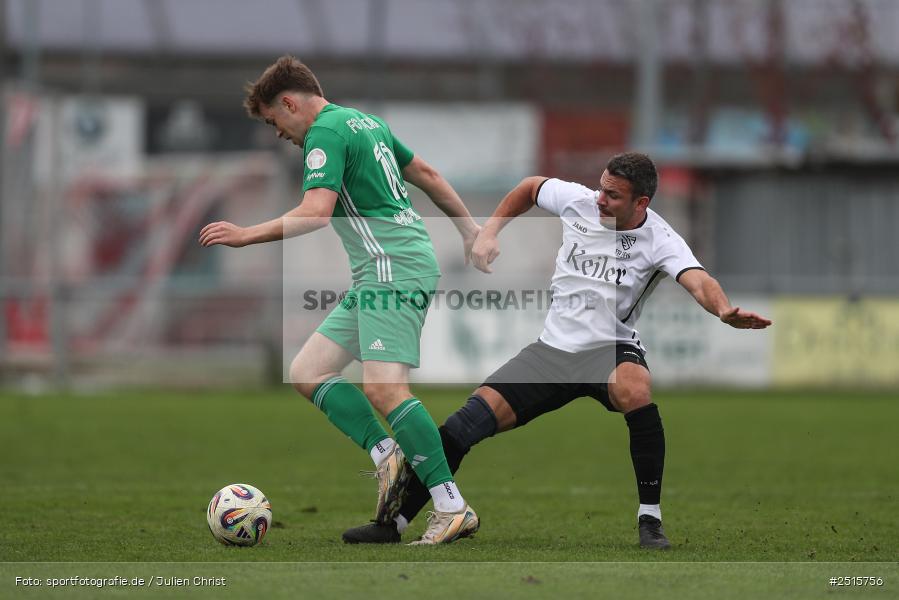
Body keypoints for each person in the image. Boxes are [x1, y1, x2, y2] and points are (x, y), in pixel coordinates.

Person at [342, 152, 772, 548]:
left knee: (636, 389)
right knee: (460, 428)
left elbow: (697, 278)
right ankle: (394, 525)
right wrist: (488, 232)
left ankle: (650, 519)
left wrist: (722, 310)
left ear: (641, 203)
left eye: (613, 195)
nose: (600, 199)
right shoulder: (579, 201)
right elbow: (530, 187)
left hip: (611, 349)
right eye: (601, 187)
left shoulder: (660, 238)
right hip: (551, 353)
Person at [199, 55, 481, 545]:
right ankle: (386, 456)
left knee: (386, 390)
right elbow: (428, 174)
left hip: (393, 269)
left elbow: (314, 213)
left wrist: (246, 236)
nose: (280, 134)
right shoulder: (366, 121)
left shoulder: (324, 134)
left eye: (274, 121)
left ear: (289, 102)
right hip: (385, 269)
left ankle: (451, 506)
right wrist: (470, 229)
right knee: (308, 371)